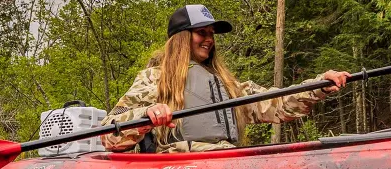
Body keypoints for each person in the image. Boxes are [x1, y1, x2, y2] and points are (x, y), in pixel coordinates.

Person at [100, 4, 349, 153]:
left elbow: (277, 104)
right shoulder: (153, 79)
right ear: (181, 38)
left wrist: (319, 85)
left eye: (211, 33)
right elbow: (108, 134)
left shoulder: (228, 87)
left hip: (225, 159)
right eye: (201, 32)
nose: (209, 39)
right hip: (178, 167)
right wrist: (146, 116)